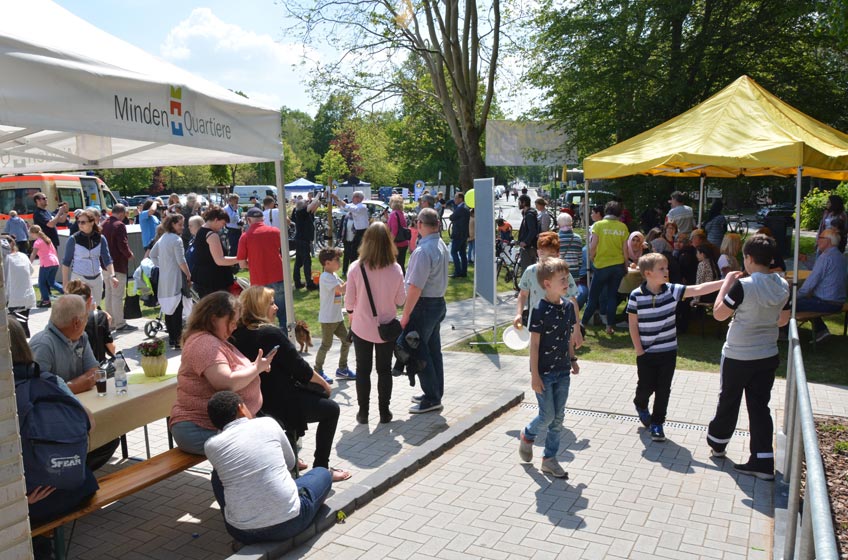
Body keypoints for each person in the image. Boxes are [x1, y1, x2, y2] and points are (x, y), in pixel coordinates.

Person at [230, 287, 351, 481]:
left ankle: (291, 458)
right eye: (271, 303)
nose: (276, 307)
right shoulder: (270, 333)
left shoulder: (236, 334)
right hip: (281, 402)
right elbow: (300, 368)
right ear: (259, 307)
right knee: (331, 410)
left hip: (254, 403)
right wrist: (325, 385)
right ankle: (321, 469)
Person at [10, 318, 99, 560]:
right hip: (75, 489)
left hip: (30, 501)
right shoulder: (49, 380)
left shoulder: (7, 394)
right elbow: (89, 422)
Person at [707, 234, 790, 479]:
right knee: (759, 406)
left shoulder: (744, 285)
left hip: (738, 355)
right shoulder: (782, 284)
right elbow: (783, 319)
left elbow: (719, 314)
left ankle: (718, 442)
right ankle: (763, 460)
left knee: (729, 399)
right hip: (767, 354)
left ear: (748, 258)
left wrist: (726, 283)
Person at [204, 391, 333, 544]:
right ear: (241, 408)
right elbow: (291, 463)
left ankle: (240, 515)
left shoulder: (211, 445)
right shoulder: (267, 423)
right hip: (290, 523)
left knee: (217, 476)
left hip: (240, 532)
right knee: (322, 473)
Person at [626, 253, 723, 441]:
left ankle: (657, 423)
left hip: (668, 352)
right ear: (648, 273)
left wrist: (724, 282)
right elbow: (633, 325)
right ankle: (640, 403)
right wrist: (639, 350)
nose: (666, 271)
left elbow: (699, 288)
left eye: (666, 267)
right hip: (646, 353)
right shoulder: (636, 296)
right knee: (646, 387)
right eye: (661, 269)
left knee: (664, 389)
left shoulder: (672, 290)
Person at [169, 292, 275, 455]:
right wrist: (256, 369)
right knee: (256, 448)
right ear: (213, 318)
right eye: (231, 322)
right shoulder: (204, 343)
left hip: (214, 425)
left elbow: (229, 371)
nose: (234, 327)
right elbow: (225, 382)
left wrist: (254, 367)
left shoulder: (212, 339)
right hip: (198, 427)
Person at [29, 294, 120, 469]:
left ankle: (76, 474)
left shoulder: (81, 337)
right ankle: (72, 474)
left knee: (111, 436)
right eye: (86, 317)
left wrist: (65, 385)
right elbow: (40, 389)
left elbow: (94, 371)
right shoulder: (43, 345)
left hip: (80, 411)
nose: (87, 321)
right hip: (55, 421)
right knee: (102, 439)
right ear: (77, 322)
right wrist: (79, 384)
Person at [517, 258, 579, 479]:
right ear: (547, 284)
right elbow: (534, 344)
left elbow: (568, 337)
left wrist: (573, 359)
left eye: (567, 278)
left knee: (558, 417)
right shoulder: (540, 309)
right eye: (562, 279)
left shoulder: (569, 307)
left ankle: (549, 460)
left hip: (563, 371)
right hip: (543, 372)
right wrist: (534, 375)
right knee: (547, 415)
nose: (566, 282)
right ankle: (527, 434)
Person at [345, 223, 406, 424]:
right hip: (386, 328)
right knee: (384, 370)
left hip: (361, 326)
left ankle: (363, 412)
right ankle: (384, 411)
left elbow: (349, 301)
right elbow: (400, 301)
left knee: (363, 370)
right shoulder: (396, 269)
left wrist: (353, 314)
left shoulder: (356, 267)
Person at [399, 208, 449, 414]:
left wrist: (405, 314)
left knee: (419, 351)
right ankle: (435, 392)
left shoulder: (423, 250)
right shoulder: (440, 244)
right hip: (437, 303)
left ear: (420, 224)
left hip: (424, 305)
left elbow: (415, 287)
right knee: (432, 350)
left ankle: (431, 396)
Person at [513, 232, 583, 347]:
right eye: (543, 253)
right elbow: (523, 294)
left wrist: (577, 329)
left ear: (558, 254)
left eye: (551, 254)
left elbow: (572, 301)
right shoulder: (531, 271)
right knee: (536, 356)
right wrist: (518, 314)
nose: (547, 259)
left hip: (560, 324)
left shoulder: (563, 274)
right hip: (536, 325)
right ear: (538, 252)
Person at [581, 201, 629, 335]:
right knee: (612, 296)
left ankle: (583, 323)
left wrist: (591, 258)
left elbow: (593, 245)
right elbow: (625, 250)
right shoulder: (623, 227)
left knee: (593, 296)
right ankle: (609, 326)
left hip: (602, 265)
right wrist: (625, 266)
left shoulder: (599, 225)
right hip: (618, 265)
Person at [795, 228, 847, 342]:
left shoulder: (825, 257)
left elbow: (809, 284)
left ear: (828, 241)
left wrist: (794, 297)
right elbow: (820, 269)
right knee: (806, 300)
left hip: (827, 302)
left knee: (789, 304)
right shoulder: (840, 256)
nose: (817, 240)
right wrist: (806, 260)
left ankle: (783, 332)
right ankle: (821, 330)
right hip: (838, 301)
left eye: (820, 238)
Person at [237, 207, 286, 327]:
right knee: (283, 314)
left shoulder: (245, 237)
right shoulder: (275, 231)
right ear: (263, 219)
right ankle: (285, 339)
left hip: (258, 280)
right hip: (278, 275)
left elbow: (242, 264)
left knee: (261, 316)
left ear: (248, 220)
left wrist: (254, 264)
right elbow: (284, 252)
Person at [61, 209, 119, 306]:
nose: (80, 224)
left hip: (97, 278)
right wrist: (65, 284)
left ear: (92, 222)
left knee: (96, 306)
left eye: (83, 222)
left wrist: (112, 275)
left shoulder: (101, 238)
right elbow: (66, 263)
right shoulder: (73, 239)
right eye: (78, 222)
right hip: (79, 278)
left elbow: (107, 259)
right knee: (83, 308)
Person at [314, 248, 356, 382]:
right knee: (326, 345)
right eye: (336, 260)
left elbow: (342, 286)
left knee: (347, 341)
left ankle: (342, 369)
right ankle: (317, 371)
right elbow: (342, 289)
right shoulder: (325, 277)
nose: (339, 262)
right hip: (328, 319)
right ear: (327, 263)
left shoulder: (333, 275)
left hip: (337, 318)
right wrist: (355, 275)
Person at [151, 214, 192, 349]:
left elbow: (152, 255)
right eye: (180, 224)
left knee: (168, 309)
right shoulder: (176, 239)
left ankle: (172, 339)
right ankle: (178, 340)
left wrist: (162, 266)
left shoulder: (163, 237)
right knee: (177, 309)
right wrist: (188, 274)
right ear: (172, 224)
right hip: (175, 277)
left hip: (165, 277)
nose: (182, 227)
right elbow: (181, 260)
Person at [101, 204, 136, 332]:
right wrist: (129, 255)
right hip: (117, 265)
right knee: (117, 295)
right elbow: (122, 244)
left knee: (109, 293)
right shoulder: (119, 225)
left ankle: (111, 322)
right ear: (122, 213)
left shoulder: (104, 223)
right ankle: (120, 323)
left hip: (105, 265)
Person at [64, 280, 115, 362]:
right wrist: (106, 326)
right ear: (90, 299)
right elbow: (111, 349)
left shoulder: (61, 319)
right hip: (95, 368)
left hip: (71, 369)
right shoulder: (99, 317)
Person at [192, 206, 238, 299]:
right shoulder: (212, 235)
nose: (223, 227)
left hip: (202, 279)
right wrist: (240, 258)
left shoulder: (201, 231)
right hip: (213, 281)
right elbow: (220, 260)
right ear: (216, 220)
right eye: (223, 223)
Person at [4, 236, 36, 335]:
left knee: (15, 330)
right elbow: (31, 271)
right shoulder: (23, 255)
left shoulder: (6, 260)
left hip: (13, 300)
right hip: (27, 297)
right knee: (23, 325)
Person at [332, 190, 370, 271]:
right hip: (358, 232)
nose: (352, 198)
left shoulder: (362, 207)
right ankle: (353, 270)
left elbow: (349, 207)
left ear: (359, 198)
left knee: (358, 252)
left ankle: (359, 270)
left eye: (354, 197)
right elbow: (342, 206)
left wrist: (338, 198)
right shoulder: (355, 205)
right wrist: (334, 199)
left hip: (363, 232)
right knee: (353, 252)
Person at [29, 225, 63, 308]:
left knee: (41, 283)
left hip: (46, 263)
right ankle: (68, 293)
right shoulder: (47, 240)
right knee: (52, 282)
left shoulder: (37, 242)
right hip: (55, 262)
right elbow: (54, 251)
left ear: (34, 233)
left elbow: (33, 254)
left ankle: (46, 301)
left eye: (30, 233)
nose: (30, 235)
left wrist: (29, 263)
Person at [291, 197, 320, 290]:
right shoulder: (300, 212)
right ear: (303, 206)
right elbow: (311, 206)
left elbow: (315, 206)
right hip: (302, 241)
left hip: (303, 240)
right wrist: (318, 195)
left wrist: (319, 199)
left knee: (299, 262)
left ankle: (298, 282)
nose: (308, 204)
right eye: (306, 203)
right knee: (307, 262)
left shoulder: (306, 214)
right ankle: (309, 283)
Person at [387, 194, 411, 272]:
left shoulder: (393, 214)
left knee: (395, 266)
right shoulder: (401, 213)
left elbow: (394, 230)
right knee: (401, 265)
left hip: (397, 243)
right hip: (404, 242)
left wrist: (390, 243)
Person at [449, 192, 470, 278]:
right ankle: (463, 272)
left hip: (458, 234)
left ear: (460, 199)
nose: (454, 200)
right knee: (462, 254)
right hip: (464, 234)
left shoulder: (460, 208)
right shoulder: (466, 207)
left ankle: (458, 271)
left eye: (456, 198)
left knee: (453, 252)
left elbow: (452, 217)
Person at [517, 194, 540, 269]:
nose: (518, 204)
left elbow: (533, 231)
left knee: (526, 271)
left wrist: (525, 242)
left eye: (519, 202)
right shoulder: (527, 214)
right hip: (529, 247)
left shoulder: (529, 215)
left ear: (524, 203)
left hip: (528, 248)